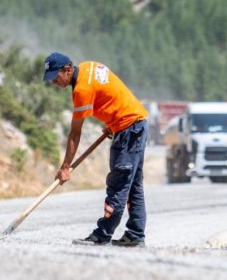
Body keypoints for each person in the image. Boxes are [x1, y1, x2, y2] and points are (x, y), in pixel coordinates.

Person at [43, 52, 149, 247]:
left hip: (129, 129)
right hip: (136, 123)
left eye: (55, 77)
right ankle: (135, 234)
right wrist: (113, 120)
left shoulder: (81, 90)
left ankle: (102, 235)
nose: (53, 82)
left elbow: (75, 133)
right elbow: (110, 92)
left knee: (119, 182)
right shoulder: (88, 67)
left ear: (67, 69)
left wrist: (65, 167)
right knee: (133, 184)